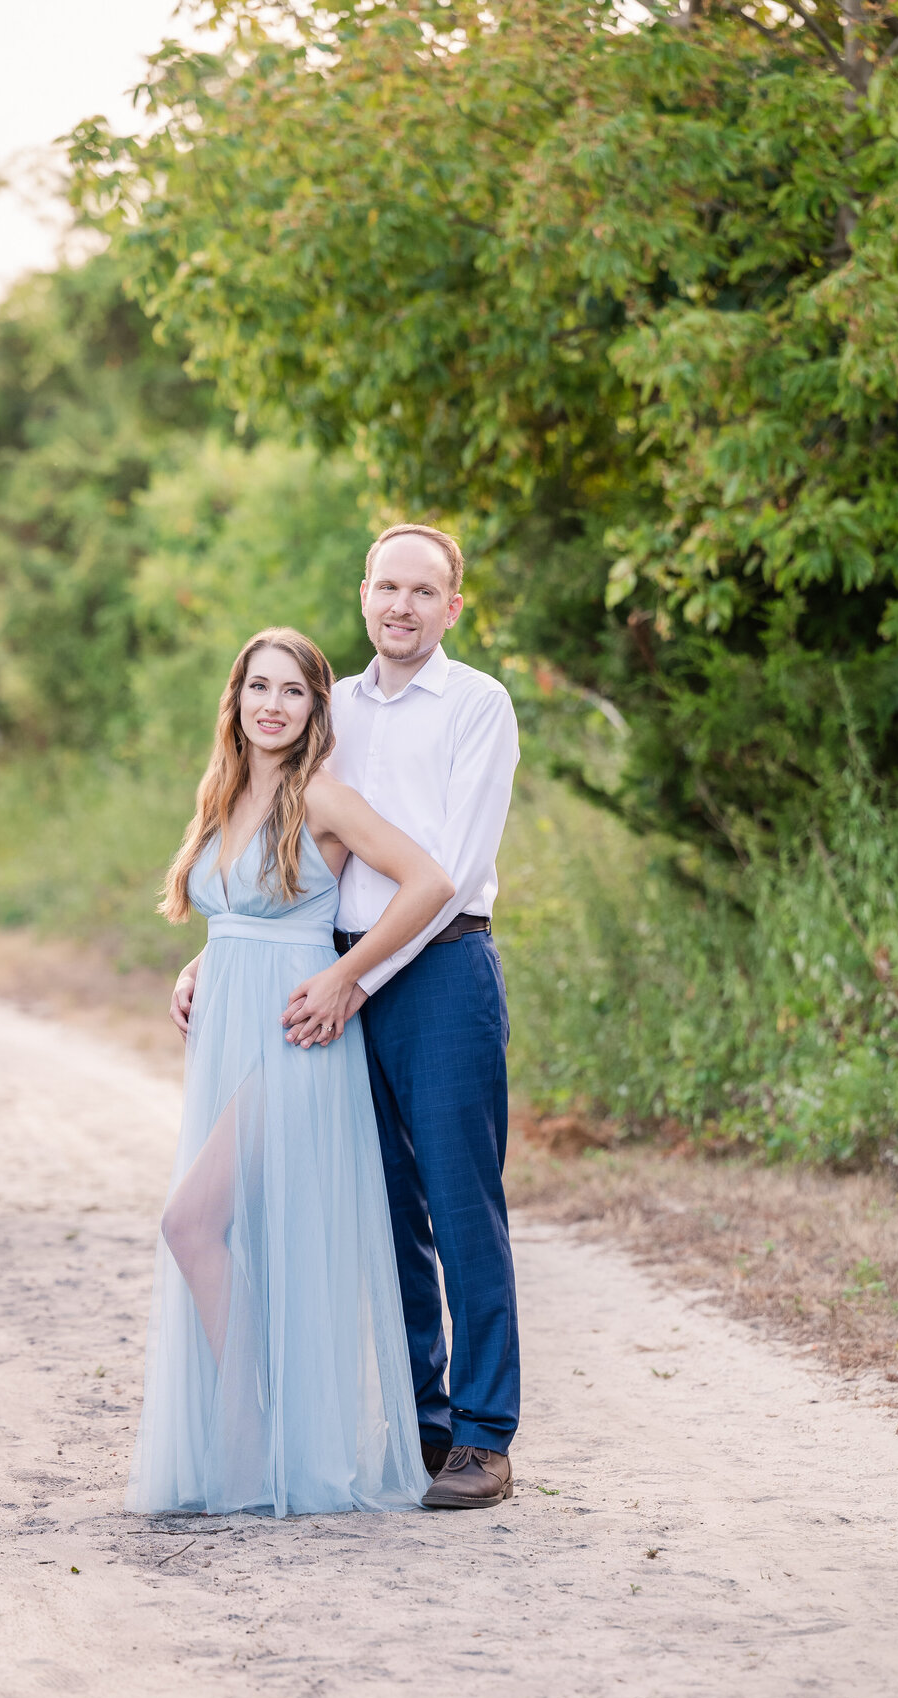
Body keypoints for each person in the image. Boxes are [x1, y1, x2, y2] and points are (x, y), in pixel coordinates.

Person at [173, 525, 522, 1509]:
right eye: (386, 586)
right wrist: (222, 951)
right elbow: (285, 857)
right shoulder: (335, 710)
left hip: (437, 969)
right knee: (383, 1206)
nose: (402, 605)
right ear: (364, 593)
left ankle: (487, 1434)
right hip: (330, 971)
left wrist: (355, 979)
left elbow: (444, 875)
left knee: (461, 1202)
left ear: (453, 606)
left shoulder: (478, 705)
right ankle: (425, 1417)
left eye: (424, 590)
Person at [131, 626, 454, 1518]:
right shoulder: (222, 795)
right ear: (234, 698)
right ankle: (253, 1438)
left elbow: (430, 881)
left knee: (191, 1224)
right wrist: (196, 966)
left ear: (317, 709)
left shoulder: (323, 799)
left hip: (293, 1041)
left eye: (293, 692)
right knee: (236, 1237)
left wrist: (349, 976)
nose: (271, 705)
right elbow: (234, 915)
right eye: (257, 687)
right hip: (227, 1033)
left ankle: (250, 1437)